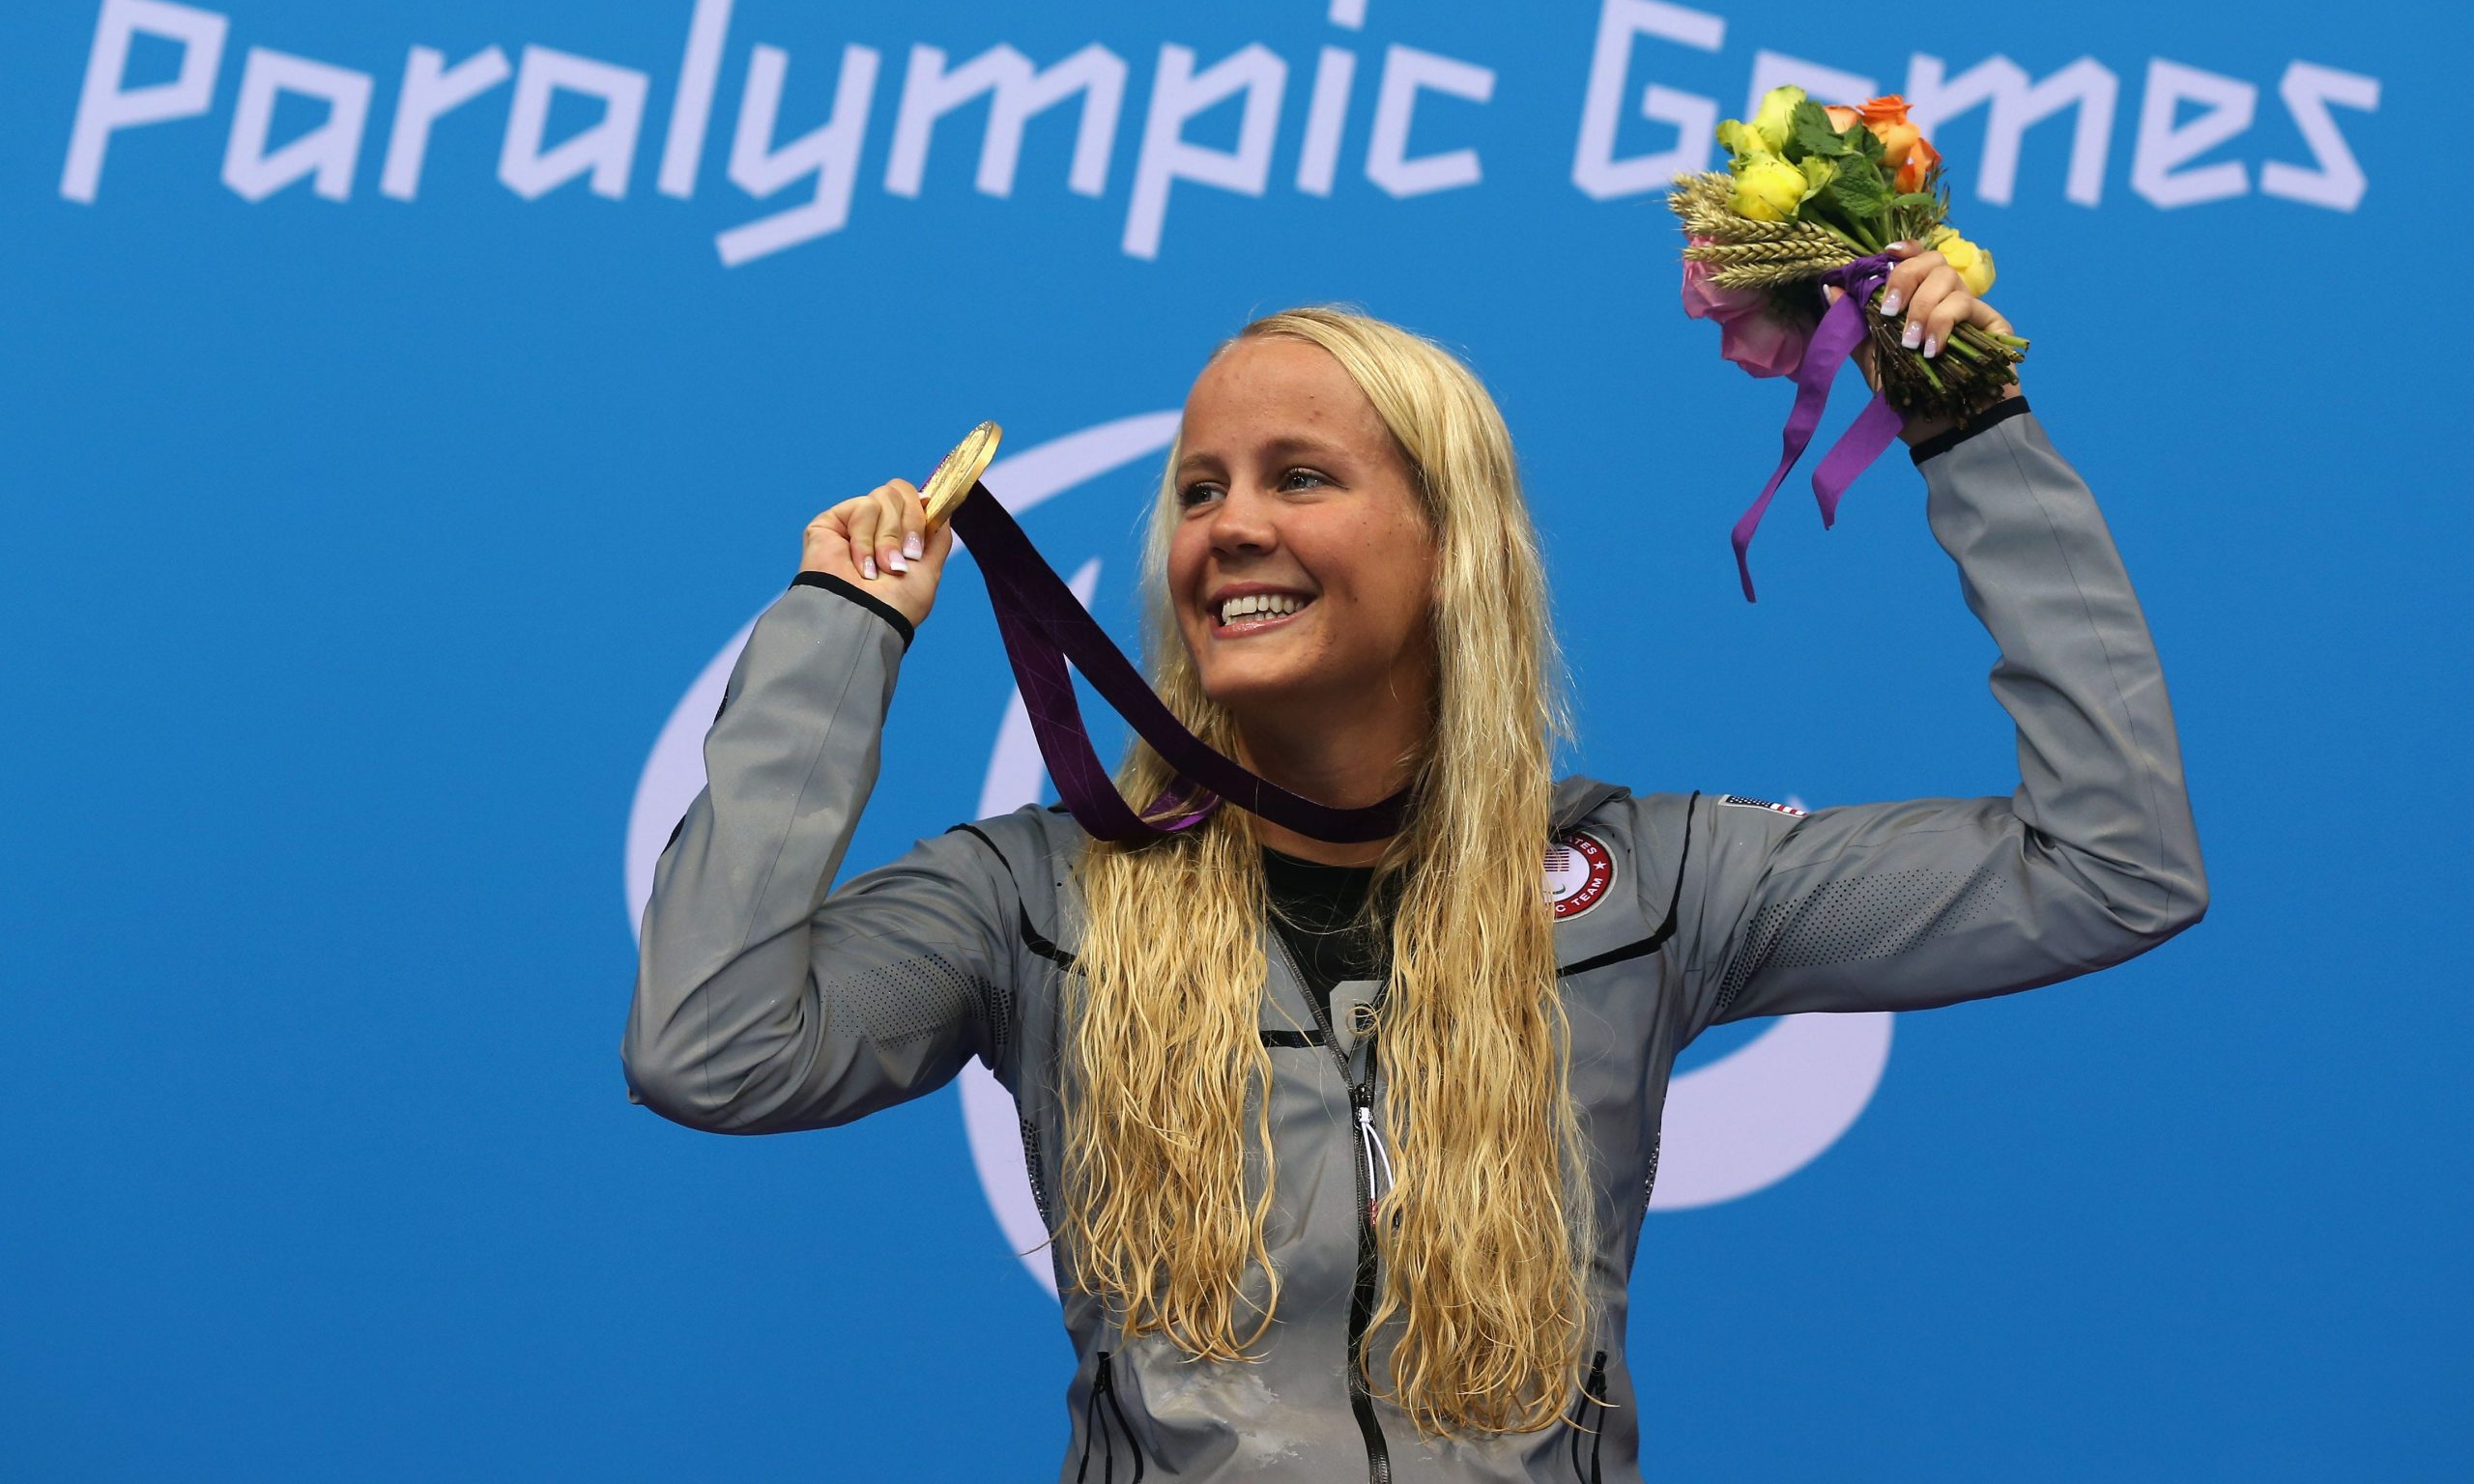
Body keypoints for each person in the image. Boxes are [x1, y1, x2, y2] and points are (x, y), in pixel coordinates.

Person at [622, 247, 2208, 1484]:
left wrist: (1967, 429)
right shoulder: (1035, 898)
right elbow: (713, 1049)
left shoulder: (1647, 879)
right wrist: (838, 638)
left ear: (1452, 544)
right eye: (1198, 489)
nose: (1229, 525)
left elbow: (2111, 862)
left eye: (1300, 477)